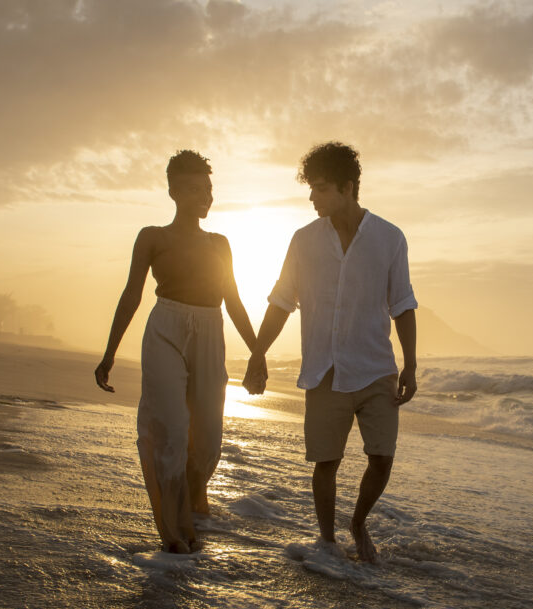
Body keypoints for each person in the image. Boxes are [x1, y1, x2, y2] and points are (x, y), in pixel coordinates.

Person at [244, 142, 418, 563]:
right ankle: (326, 541)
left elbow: (403, 304)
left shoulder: (390, 238)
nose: (311, 197)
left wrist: (410, 364)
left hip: (375, 367)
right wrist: (257, 352)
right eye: (311, 188)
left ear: (348, 186)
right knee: (326, 461)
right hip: (324, 370)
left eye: (320, 188)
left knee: (381, 459)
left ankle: (358, 522)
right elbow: (282, 301)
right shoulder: (303, 241)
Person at [95, 150, 257, 554]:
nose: (204, 197)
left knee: (207, 438)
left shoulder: (220, 243)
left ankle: (194, 503)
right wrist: (110, 352)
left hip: (210, 330)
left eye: (209, 189)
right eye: (194, 188)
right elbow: (132, 293)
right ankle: (176, 531)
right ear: (173, 191)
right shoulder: (153, 237)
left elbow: (234, 300)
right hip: (165, 327)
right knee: (169, 428)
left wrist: (258, 352)